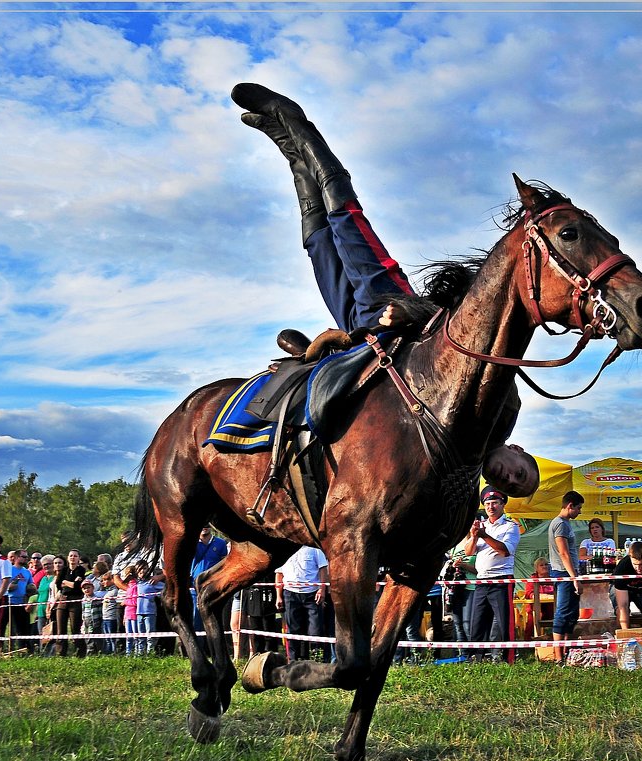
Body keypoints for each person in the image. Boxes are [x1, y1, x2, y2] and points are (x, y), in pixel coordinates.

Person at [231, 82, 540, 501]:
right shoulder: (503, 411)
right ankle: (297, 125)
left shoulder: (457, 458)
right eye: (521, 475)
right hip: (399, 312)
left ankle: (291, 152)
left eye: (509, 487)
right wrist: (414, 315)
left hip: (362, 336)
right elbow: (463, 343)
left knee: (319, 245)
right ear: (521, 452)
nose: (509, 479)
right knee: (347, 223)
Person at [464, 486, 521, 663]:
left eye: (495, 503)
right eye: (487, 504)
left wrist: (484, 535)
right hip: (482, 579)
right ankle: (476, 658)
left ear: (503, 504)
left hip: (501, 579)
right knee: (478, 622)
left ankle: (508, 658)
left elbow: (505, 551)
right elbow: (468, 552)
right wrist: (474, 536)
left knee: (504, 622)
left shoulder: (510, 527)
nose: (491, 507)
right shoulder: (481, 526)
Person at [548, 490, 586, 659]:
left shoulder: (565, 523)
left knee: (572, 614)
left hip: (569, 572)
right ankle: (558, 657)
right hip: (564, 573)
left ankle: (566, 653)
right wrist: (574, 578)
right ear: (570, 506)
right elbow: (564, 553)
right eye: (578, 508)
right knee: (562, 612)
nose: (580, 511)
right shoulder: (560, 524)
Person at [275, 546, 330, 662]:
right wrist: (278, 596)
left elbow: (323, 569)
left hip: (313, 595)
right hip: (290, 594)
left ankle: (317, 661)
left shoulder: (315, 549)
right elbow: (279, 574)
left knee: (315, 631)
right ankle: (292, 662)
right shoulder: (284, 548)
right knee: (292, 631)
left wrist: (322, 590)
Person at [190, 526, 229, 632]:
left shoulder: (220, 543)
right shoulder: (191, 542)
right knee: (196, 618)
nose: (205, 527)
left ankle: (211, 646)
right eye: (202, 524)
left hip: (214, 585)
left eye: (207, 525)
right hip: (195, 586)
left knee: (213, 617)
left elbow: (224, 565)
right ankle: (199, 646)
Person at [53, 549, 87, 657]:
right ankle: (61, 653)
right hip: (63, 600)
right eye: (71, 556)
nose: (73, 558)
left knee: (75, 627)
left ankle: (79, 653)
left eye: (75, 556)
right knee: (60, 629)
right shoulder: (64, 570)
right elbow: (58, 584)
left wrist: (65, 582)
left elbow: (77, 586)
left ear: (78, 558)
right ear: (68, 558)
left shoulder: (80, 570)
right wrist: (70, 583)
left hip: (75, 600)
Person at [6, 550, 36, 654]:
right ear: (16, 557)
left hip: (23, 603)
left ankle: (24, 650)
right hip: (10, 602)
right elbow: (3, 586)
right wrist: (9, 587)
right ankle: (9, 649)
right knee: (11, 629)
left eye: (26, 557)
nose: (25, 559)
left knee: (23, 628)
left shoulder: (27, 572)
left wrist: (31, 588)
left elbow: (31, 585)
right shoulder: (9, 570)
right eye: (23, 557)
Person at [520, 557, 556, 635]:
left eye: (546, 564)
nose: (544, 566)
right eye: (541, 565)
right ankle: (530, 641)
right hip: (537, 606)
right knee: (534, 615)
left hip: (552, 606)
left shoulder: (554, 578)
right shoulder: (533, 579)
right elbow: (529, 593)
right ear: (536, 568)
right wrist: (538, 595)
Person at [135, 564, 165, 655]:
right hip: (138, 612)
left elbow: (165, 588)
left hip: (150, 612)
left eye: (144, 568)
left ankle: (150, 654)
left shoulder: (152, 582)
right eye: (140, 568)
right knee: (140, 635)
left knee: (150, 634)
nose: (142, 571)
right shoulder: (136, 583)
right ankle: (140, 654)